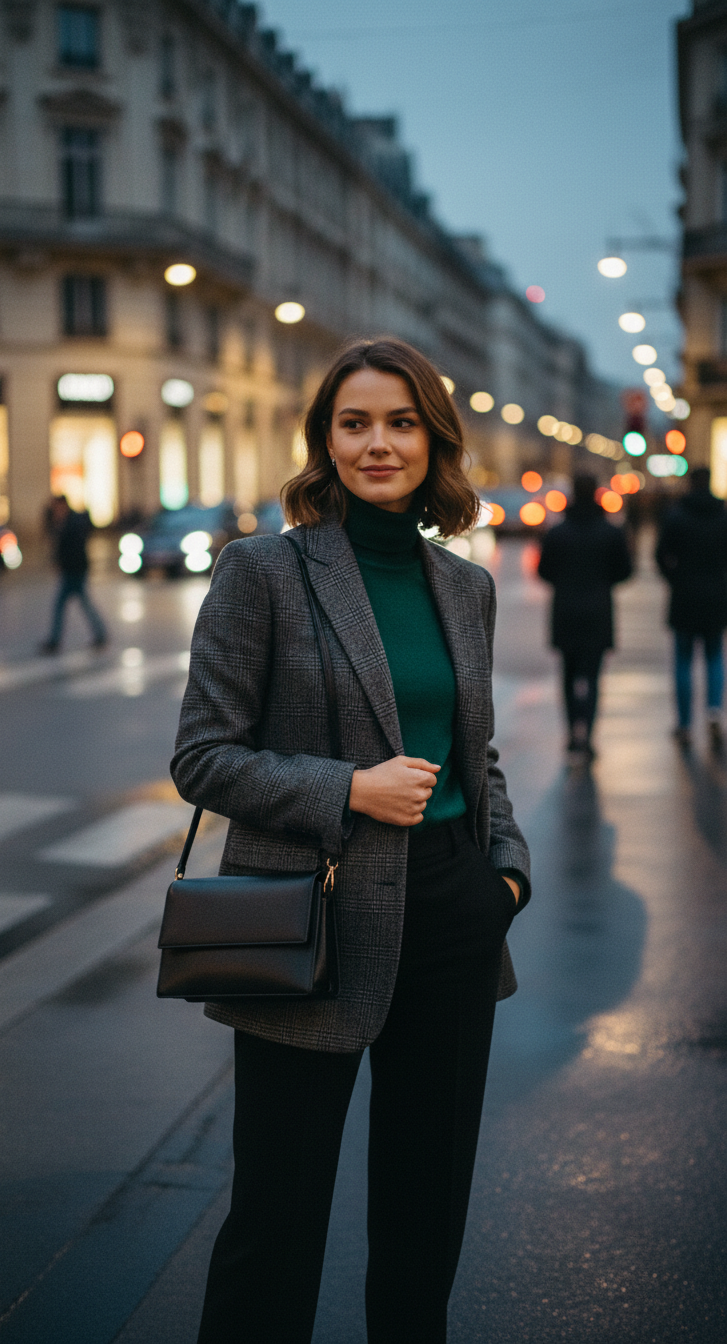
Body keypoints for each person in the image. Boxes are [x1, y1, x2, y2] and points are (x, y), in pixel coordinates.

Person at [171, 337, 531, 1344]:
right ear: (325, 442)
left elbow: (474, 751)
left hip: (453, 912)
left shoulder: (463, 586)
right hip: (309, 917)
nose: (380, 443)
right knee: (275, 1221)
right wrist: (351, 790)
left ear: (434, 440)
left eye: (401, 423)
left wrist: (507, 873)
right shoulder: (264, 572)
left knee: (426, 1219)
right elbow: (202, 757)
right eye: (356, 423)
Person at [537, 473, 632, 759]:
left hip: (566, 611)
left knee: (568, 676)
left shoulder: (557, 532)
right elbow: (625, 571)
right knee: (592, 676)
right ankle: (587, 736)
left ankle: (571, 733)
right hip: (598, 611)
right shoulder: (611, 532)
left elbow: (543, 570)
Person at [655, 466, 727, 750]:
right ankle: (714, 711)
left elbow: (661, 555)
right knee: (714, 656)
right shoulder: (722, 516)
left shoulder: (677, 517)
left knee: (683, 660)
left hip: (684, 595)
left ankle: (684, 723)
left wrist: (675, 578)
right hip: (716, 596)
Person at [40, 495, 108, 653]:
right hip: (72, 571)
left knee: (62, 606)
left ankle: (55, 641)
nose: (55, 510)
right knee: (82, 604)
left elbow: (74, 548)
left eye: (56, 506)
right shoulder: (63, 522)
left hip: (74, 571)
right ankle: (100, 634)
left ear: (63, 505)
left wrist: (62, 563)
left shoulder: (72, 523)